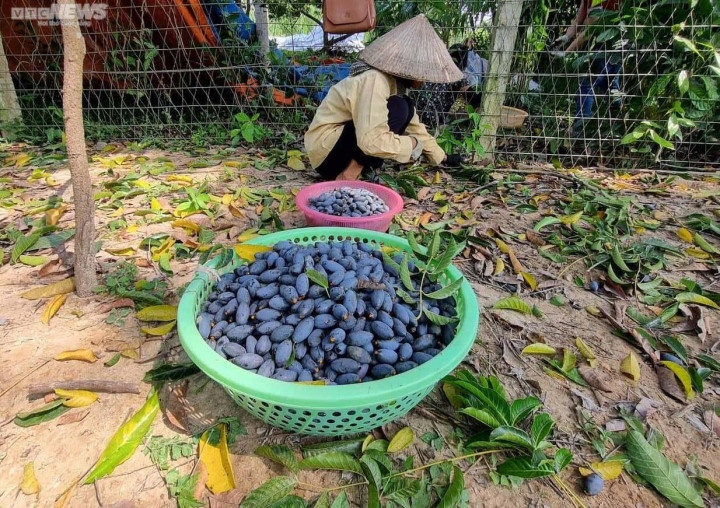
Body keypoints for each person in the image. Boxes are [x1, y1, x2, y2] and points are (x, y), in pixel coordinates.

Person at [304, 14, 464, 181]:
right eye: (423, 75)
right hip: (326, 151)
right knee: (399, 109)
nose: (424, 80)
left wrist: (442, 157)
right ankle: (348, 174)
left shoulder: (394, 85)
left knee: (406, 107)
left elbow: (415, 127)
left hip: (339, 145)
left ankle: (358, 169)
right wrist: (412, 145)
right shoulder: (375, 80)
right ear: (411, 70)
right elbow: (372, 141)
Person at [554, 0, 623, 137]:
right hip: (602, 44)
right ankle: (617, 121)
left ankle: (579, 128)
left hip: (611, 45)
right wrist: (566, 36)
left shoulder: (603, 3)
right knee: (610, 85)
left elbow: (589, 31)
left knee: (588, 84)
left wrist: (566, 51)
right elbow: (578, 19)